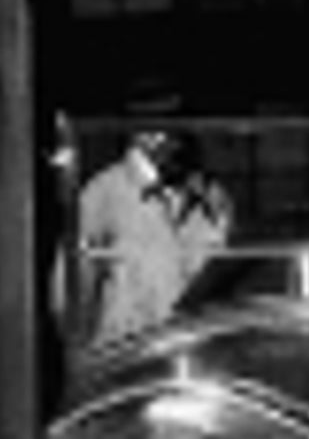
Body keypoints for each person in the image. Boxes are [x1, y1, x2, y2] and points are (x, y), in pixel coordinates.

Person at [53, 87, 233, 356]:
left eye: (179, 127)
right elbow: (68, 296)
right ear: (137, 133)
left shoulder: (211, 196)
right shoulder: (104, 193)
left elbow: (227, 282)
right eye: (162, 127)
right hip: (127, 364)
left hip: (196, 363)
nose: (174, 139)